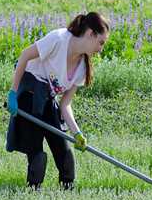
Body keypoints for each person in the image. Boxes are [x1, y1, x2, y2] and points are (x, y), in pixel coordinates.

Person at [6, 12, 110, 190]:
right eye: (101, 42)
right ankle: (33, 193)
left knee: (65, 154)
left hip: (48, 101)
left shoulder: (82, 67)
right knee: (37, 156)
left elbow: (65, 104)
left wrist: (77, 133)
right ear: (90, 34)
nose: (101, 49)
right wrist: (13, 93)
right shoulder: (59, 39)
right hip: (28, 96)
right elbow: (24, 56)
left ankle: (67, 191)